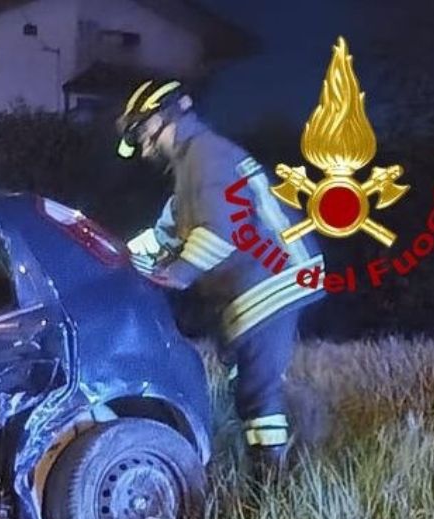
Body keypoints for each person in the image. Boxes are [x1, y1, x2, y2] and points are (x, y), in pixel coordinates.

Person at [116, 79, 326, 477]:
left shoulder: (207, 156)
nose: (143, 149)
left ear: (164, 118)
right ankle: (300, 422)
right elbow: (167, 230)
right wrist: (116, 255)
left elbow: (220, 233)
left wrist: (177, 273)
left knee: (254, 389)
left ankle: (271, 488)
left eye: (142, 135)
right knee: (246, 377)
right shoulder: (193, 166)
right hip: (262, 281)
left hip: (272, 280)